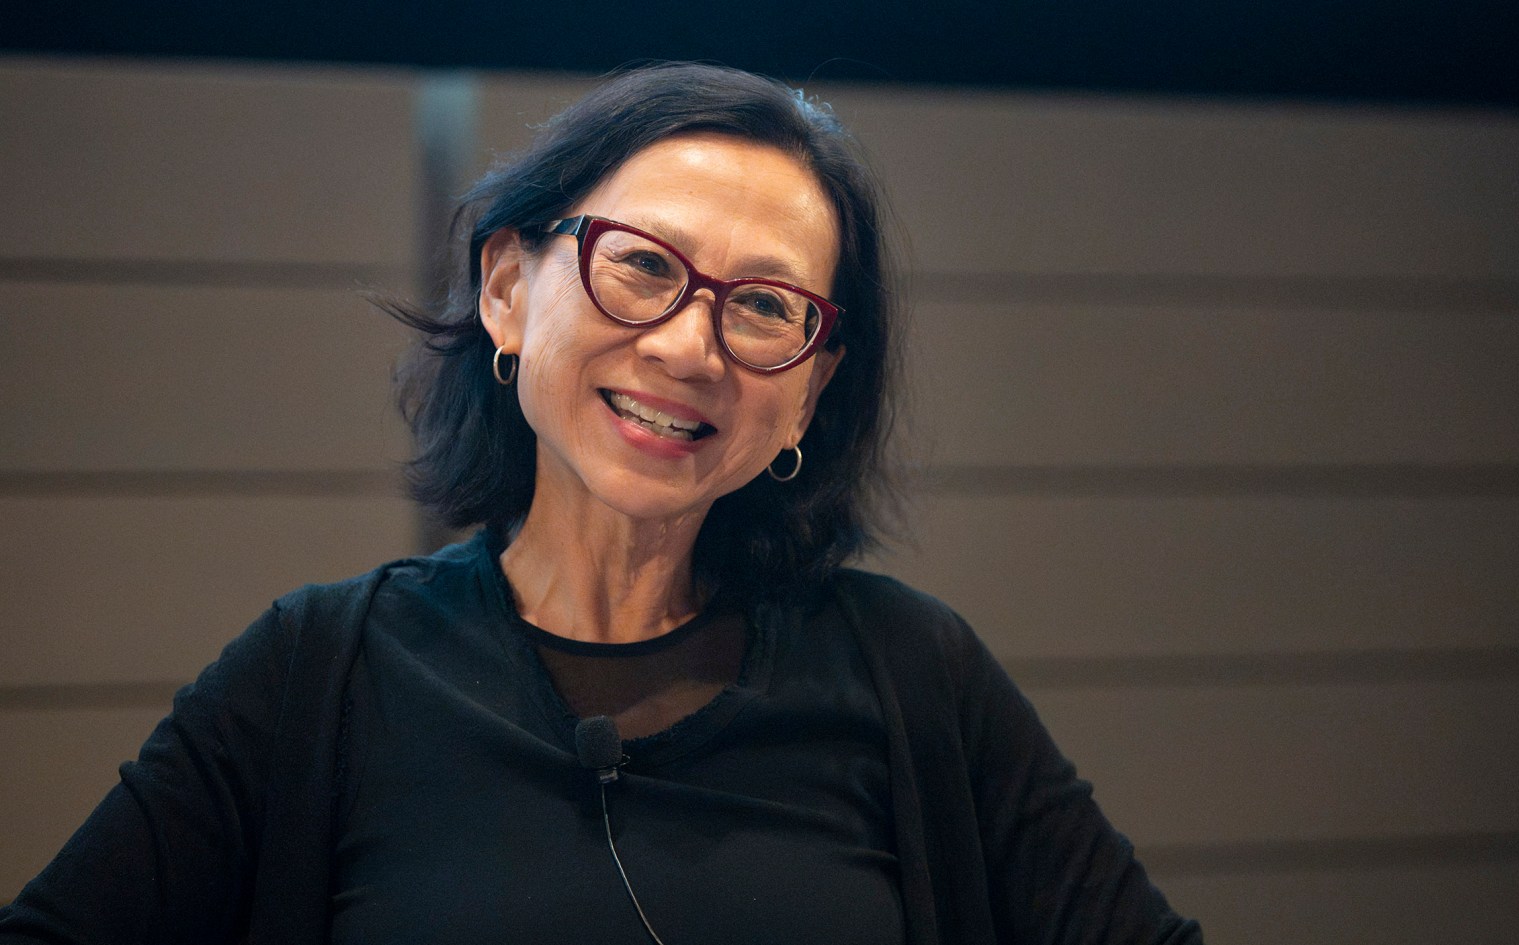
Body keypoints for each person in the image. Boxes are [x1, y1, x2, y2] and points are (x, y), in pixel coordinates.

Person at [0, 63, 1203, 945]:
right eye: (642, 265)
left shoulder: (912, 674)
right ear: (510, 288)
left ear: (810, 393)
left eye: (766, 307)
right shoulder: (317, 674)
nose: (691, 346)